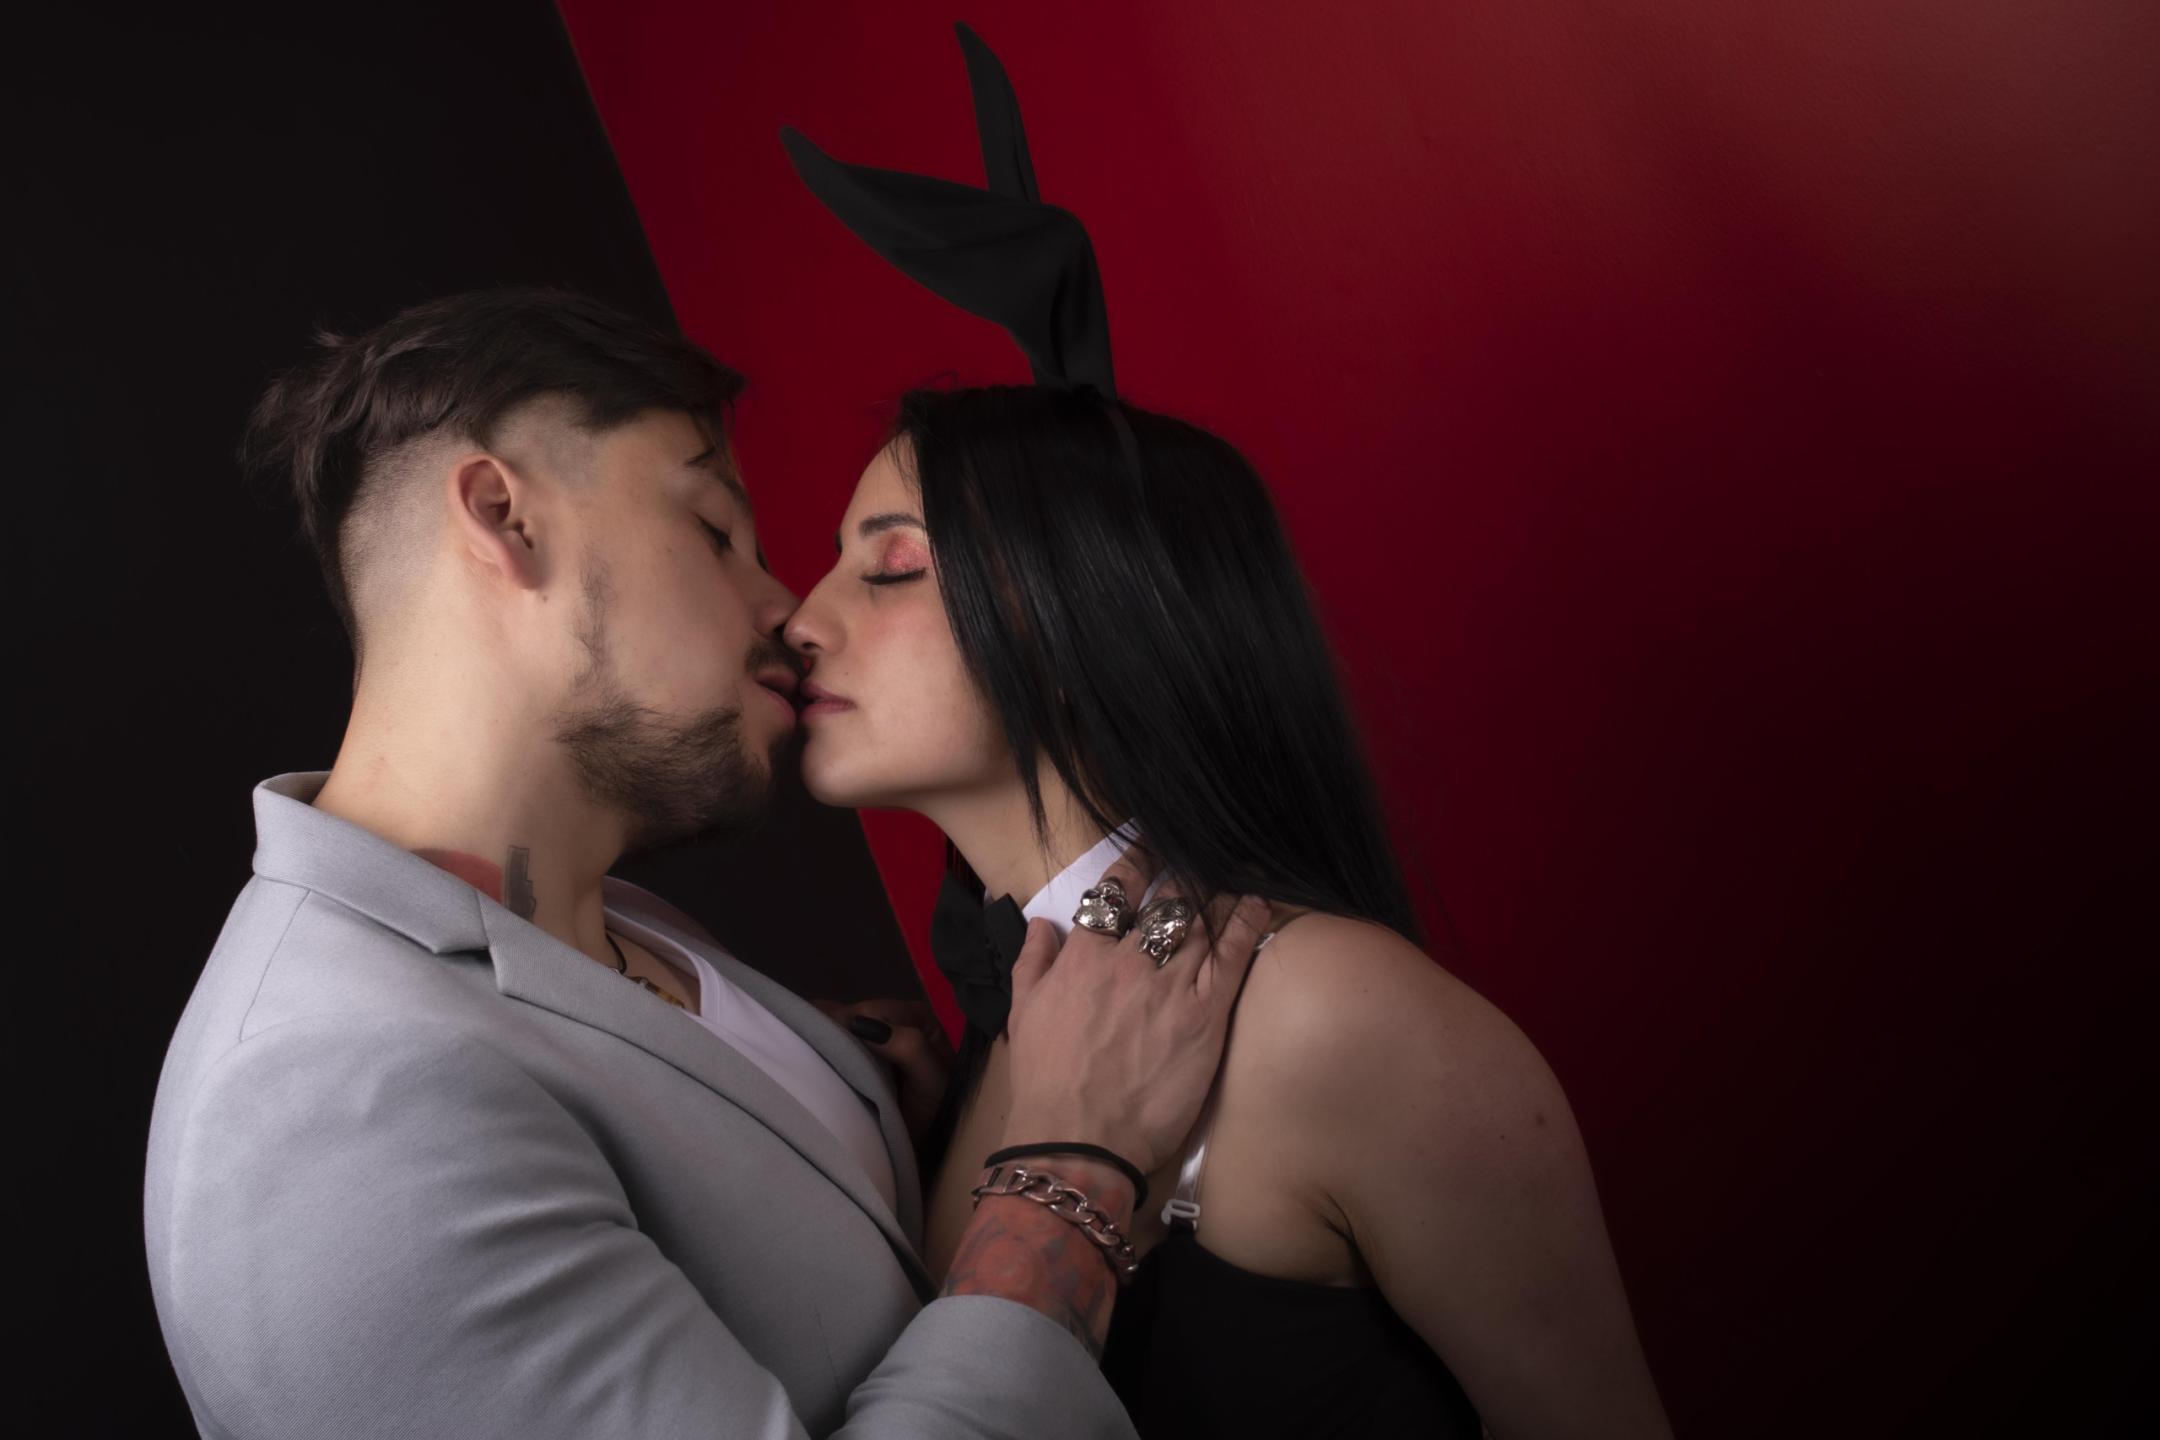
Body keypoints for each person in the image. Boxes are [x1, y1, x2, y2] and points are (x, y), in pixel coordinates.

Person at [142, 285, 1273, 1440]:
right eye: (716, 530)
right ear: (502, 517)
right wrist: (1067, 1174)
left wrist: (884, 1144)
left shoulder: (611, 924)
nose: (784, 607)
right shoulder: (328, 1106)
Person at [779, 24, 1675, 1439]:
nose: (801, 620)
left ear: (1081, 618)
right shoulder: (1007, 1021)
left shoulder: (1332, 1018)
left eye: (890, 566)